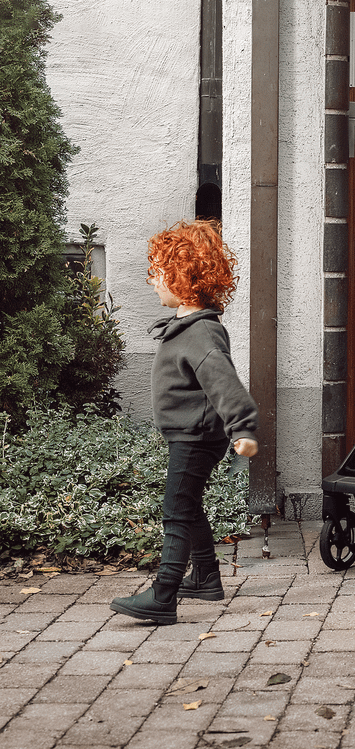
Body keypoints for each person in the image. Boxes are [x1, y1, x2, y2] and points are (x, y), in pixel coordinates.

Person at [110, 219, 259, 626]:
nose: (152, 280)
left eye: (158, 271)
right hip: (189, 433)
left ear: (184, 276)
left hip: (197, 436)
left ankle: (163, 595)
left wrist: (243, 428)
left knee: (176, 511)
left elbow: (225, 384)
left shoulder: (202, 334)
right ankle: (207, 577)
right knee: (188, 505)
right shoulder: (187, 329)